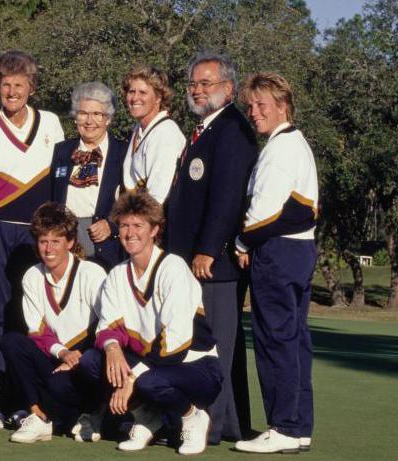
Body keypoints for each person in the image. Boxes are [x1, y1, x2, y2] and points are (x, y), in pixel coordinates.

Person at [79, 192, 223, 455]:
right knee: (92, 361)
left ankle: (192, 417)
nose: (130, 233)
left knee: (150, 382)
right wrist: (111, 348)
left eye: (138, 226)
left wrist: (131, 378)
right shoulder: (117, 275)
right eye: (124, 225)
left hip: (196, 367)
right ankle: (146, 417)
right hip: (152, 366)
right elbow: (107, 325)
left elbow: (176, 342)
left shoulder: (174, 268)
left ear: (155, 229)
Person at [163, 51, 257, 444]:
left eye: (207, 83)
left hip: (213, 263)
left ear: (229, 89)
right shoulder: (204, 129)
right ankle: (230, 425)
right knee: (220, 345)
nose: (198, 90)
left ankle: (207, 426)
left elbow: (228, 197)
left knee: (213, 346)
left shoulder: (232, 129)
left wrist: (208, 248)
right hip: (193, 258)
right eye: (193, 84)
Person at [0, 50, 65, 390]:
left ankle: (32, 392)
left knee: (34, 308)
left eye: (19, 85)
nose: (12, 92)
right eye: (6, 85)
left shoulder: (50, 123)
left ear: (31, 87)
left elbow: (60, 182)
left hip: (37, 233)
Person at [233, 73, 318, 454]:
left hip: (278, 253)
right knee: (295, 338)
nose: (254, 112)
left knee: (275, 340)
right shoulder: (294, 143)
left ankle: (282, 426)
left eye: (261, 105)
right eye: (250, 106)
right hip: (297, 252)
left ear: (282, 106)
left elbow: (263, 213)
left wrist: (240, 239)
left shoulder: (281, 148)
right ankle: (298, 426)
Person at [0, 203, 106, 444]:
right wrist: (64, 353)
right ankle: (38, 414)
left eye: (56, 241)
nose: (48, 249)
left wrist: (77, 356)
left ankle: (95, 412)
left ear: (70, 242)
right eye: (43, 241)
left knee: (68, 378)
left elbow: (107, 326)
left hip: (90, 358)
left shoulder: (92, 274)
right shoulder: (32, 276)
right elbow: (37, 331)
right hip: (58, 355)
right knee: (11, 342)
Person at [51, 82, 125, 270]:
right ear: (75, 117)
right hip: (66, 243)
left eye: (97, 114)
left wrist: (112, 225)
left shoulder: (123, 152)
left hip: (107, 246)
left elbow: (134, 201)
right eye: (83, 113)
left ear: (108, 118)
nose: (89, 121)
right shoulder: (61, 151)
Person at [120, 65, 185, 204]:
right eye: (131, 92)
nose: (135, 98)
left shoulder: (166, 132)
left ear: (158, 97)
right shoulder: (139, 129)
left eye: (143, 92)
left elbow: (157, 198)